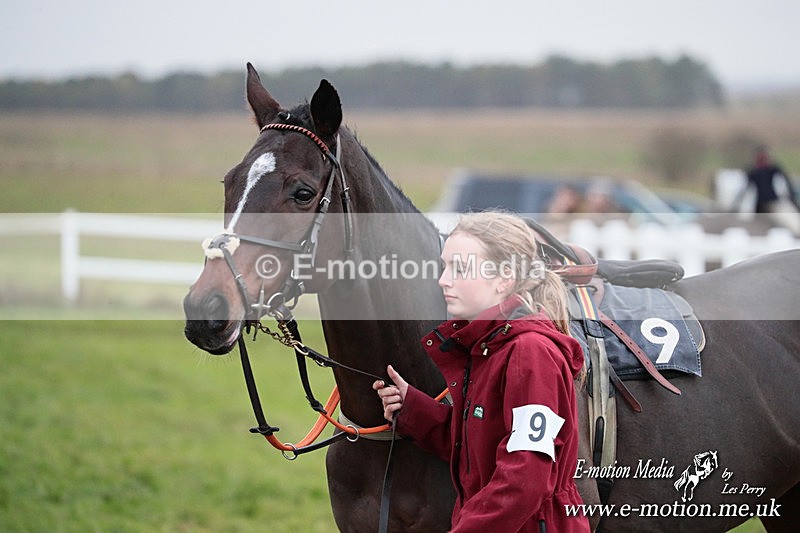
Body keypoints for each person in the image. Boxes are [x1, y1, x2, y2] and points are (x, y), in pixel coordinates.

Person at [373, 211, 590, 533]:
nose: (443, 280)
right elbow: (478, 447)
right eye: (445, 266)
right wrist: (414, 409)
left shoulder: (529, 353)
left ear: (504, 278)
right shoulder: (490, 347)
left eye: (460, 269)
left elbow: (526, 477)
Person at [733, 146, 800, 234]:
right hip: (762, 206)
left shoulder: (772, 169)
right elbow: (744, 189)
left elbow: (787, 183)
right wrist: (736, 205)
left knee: (790, 221)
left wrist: (792, 198)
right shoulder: (754, 171)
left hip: (772, 203)